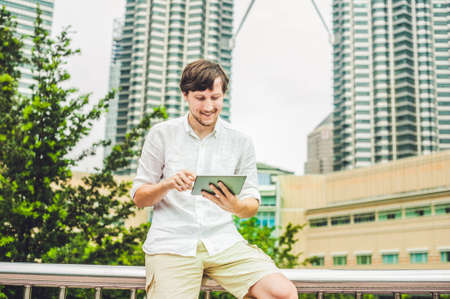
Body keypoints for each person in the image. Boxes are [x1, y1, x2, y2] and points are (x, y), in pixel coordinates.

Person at [131, 59, 297, 299]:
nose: (208, 106)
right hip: (172, 245)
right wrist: (167, 184)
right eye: (200, 98)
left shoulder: (241, 141)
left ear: (223, 96)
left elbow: (251, 203)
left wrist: (236, 206)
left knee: (282, 293)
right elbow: (139, 198)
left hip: (224, 242)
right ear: (185, 95)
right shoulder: (161, 134)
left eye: (215, 98)